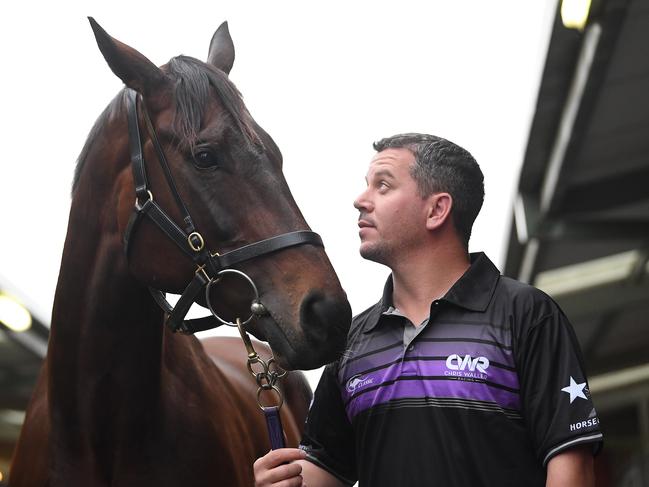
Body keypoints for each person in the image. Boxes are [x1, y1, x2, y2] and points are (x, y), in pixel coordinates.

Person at [253, 133, 603, 486]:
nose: (360, 201)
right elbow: (327, 469)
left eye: (383, 186)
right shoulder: (352, 342)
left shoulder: (526, 314)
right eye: (366, 187)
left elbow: (571, 465)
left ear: (437, 210)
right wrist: (284, 481)